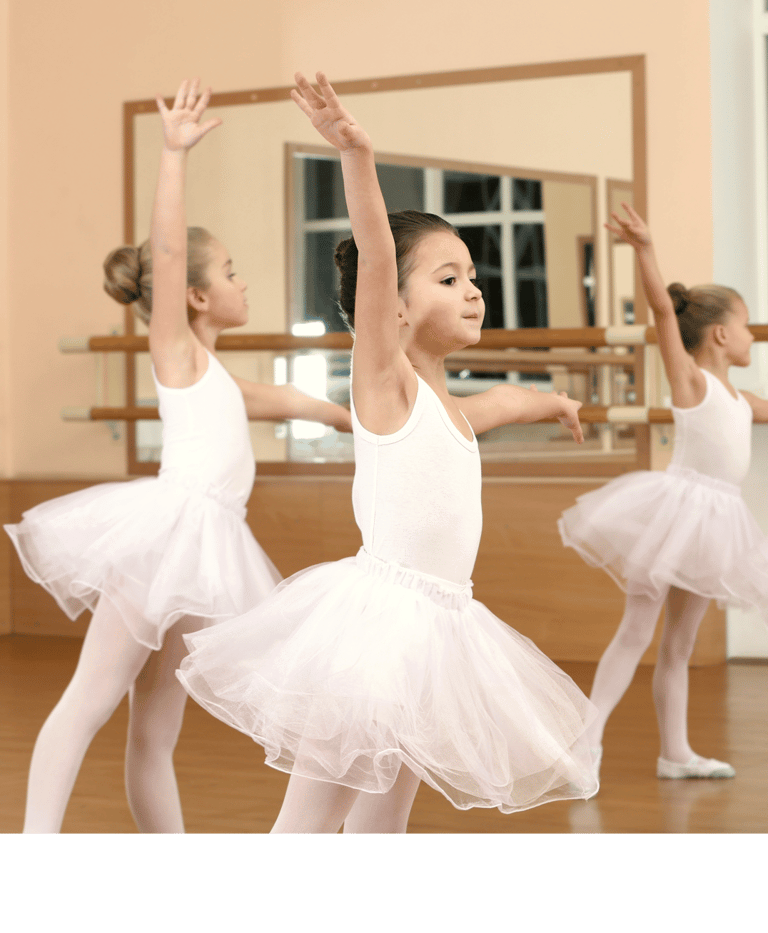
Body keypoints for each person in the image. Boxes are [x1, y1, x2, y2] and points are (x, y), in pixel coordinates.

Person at [177, 72, 598, 835]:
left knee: (383, 823)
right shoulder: (386, 386)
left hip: (438, 630)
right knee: (305, 826)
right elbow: (375, 252)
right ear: (396, 307)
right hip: (374, 629)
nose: (473, 290)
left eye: (473, 275)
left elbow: (503, 402)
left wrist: (556, 401)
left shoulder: (450, 408)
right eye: (448, 277)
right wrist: (356, 151)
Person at [6, 78, 351, 834]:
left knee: (155, 732)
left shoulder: (217, 375)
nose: (242, 280)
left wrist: (359, 419)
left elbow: (290, 401)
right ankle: (30, 853)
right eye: (228, 272)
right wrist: (172, 155)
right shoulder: (177, 350)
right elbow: (167, 251)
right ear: (191, 297)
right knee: (89, 700)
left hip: (208, 549)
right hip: (166, 539)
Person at [559, 203, 768, 781]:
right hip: (677, 512)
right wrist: (645, 249)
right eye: (749, 325)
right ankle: (586, 744)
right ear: (722, 334)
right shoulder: (692, 381)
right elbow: (660, 312)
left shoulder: (740, 398)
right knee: (635, 632)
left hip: (716, 524)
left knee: (678, 645)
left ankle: (675, 753)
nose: (754, 335)